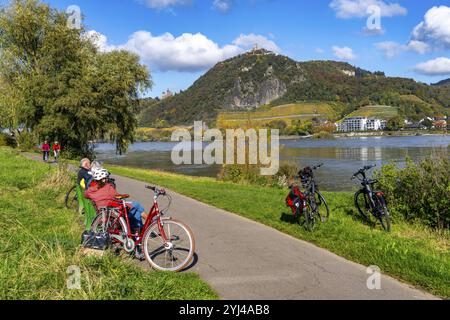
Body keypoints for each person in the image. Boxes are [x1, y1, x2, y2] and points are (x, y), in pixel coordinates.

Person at [84, 169, 147, 234]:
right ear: (103, 179)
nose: (107, 180)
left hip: (103, 215)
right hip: (114, 214)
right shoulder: (108, 187)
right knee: (136, 205)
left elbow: (85, 195)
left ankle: (137, 231)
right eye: (106, 178)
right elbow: (116, 196)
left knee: (135, 210)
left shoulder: (90, 191)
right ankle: (147, 224)